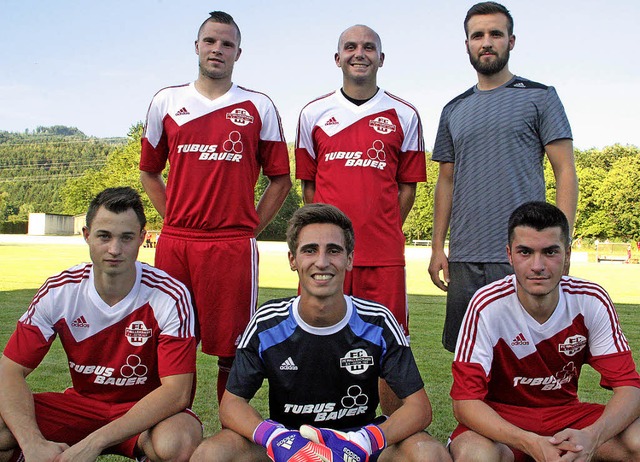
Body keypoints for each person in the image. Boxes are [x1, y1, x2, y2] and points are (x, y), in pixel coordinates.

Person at [191, 204, 451, 462]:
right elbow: (231, 405)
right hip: (290, 446)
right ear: (293, 260)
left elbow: (419, 409)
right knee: (212, 453)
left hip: (357, 447)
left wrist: (363, 441)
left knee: (428, 453)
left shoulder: (378, 321)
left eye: (334, 250)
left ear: (349, 259)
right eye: (310, 250)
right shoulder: (267, 323)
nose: (322, 262)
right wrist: (276, 439)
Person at [140, 11, 291, 401]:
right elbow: (149, 173)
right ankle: (173, 428)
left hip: (231, 245)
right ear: (196, 47)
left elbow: (281, 179)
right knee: (175, 342)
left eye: (226, 44)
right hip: (177, 243)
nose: (217, 50)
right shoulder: (167, 101)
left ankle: (230, 434)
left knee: (232, 348)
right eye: (210, 41)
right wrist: (171, 217)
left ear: (238, 53)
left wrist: (249, 228)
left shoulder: (258, 106)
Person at [0, 187, 201, 461]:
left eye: (126, 238)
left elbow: (176, 393)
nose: (114, 249)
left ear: (142, 238)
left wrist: (93, 443)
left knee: (178, 440)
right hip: (80, 406)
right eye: (104, 236)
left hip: (143, 413)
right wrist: (32, 442)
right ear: (86, 236)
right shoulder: (60, 291)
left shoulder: (169, 294)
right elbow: (9, 371)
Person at [428, 1, 579, 352]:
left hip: (524, 253)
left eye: (495, 33)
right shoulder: (453, 109)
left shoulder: (541, 97)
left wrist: (562, 242)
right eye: (477, 35)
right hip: (465, 256)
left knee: (527, 356)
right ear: (466, 44)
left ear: (511, 41)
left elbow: (566, 171)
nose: (486, 42)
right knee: (469, 357)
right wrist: (438, 246)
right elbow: (446, 182)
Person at [450, 201, 640, 461]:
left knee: (637, 440)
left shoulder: (590, 300)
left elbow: (629, 387)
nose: (537, 266)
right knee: (476, 455)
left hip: (565, 416)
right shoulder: (487, 305)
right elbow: (465, 403)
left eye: (550, 252)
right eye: (525, 252)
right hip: (503, 420)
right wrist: (529, 442)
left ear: (567, 255)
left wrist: (592, 436)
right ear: (509, 255)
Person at [295, 24, 426, 339]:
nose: (359, 54)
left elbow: (407, 186)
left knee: (389, 348)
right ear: (337, 58)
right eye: (351, 47)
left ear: (381, 58)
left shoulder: (405, 114)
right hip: (326, 256)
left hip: (383, 256)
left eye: (368, 47)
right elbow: (309, 186)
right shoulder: (312, 113)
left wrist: (382, 223)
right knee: (317, 341)